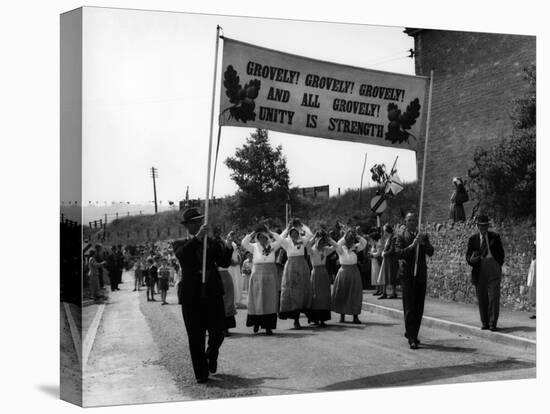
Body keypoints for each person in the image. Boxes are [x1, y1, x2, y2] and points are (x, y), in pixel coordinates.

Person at [173, 208, 234, 383]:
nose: (199, 225)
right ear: (188, 226)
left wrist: (228, 245)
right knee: (195, 336)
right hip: (191, 296)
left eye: (200, 221)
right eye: (195, 222)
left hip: (212, 292)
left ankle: (211, 354)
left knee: (218, 331)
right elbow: (183, 257)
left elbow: (224, 261)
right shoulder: (180, 244)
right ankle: (201, 373)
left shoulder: (211, 243)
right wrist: (198, 238)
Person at [395, 212, 434, 349]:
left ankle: (413, 333)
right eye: (409, 220)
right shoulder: (401, 236)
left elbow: (431, 251)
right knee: (409, 307)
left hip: (421, 275)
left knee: (418, 308)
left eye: (413, 220)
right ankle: (411, 337)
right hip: (407, 276)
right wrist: (412, 245)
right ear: (405, 222)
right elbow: (399, 253)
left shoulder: (422, 236)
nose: (412, 222)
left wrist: (422, 243)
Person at [241, 224, 283, 335]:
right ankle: (256, 323)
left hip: (270, 275)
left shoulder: (273, 246)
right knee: (257, 300)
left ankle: (268, 327)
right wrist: (253, 232)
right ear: (257, 238)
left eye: (264, 237)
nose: (262, 239)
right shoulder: (254, 246)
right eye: (260, 237)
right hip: (257, 276)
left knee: (269, 300)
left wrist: (270, 232)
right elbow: (244, 243)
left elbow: (281, 240)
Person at [465, 214, 505, 331]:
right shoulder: (473, 239)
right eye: (481, 226)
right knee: (482, 296)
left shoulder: (495, 237)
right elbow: (468, 255)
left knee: (494, 296)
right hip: (479, 269)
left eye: (485, 225)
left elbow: (501, 254)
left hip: (493, 268)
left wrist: (497, 265)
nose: (483, 228)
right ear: (477, 226)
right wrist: (471, 260)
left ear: (488, 226)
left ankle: (493, 323)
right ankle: (485, 322)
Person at [278, 220, 314, 329]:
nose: (294, 234)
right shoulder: (287, 242)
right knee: (292, 292)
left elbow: (310, 235)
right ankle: (296, 320)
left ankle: (307, 315)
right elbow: (279, 238)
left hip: (302, 266)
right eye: (292, 233)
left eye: (295, 232)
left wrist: (301, 225)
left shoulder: (302, 240)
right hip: (291, 267)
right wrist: (287, 228)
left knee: (303, 290)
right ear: (290, 233)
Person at [329, 229, 368, 324]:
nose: (350, 241)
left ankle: (355, 316)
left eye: (352, 239)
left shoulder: (356, 247)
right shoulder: (341, 249)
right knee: (343, 293)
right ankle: (342, 316)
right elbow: (337, 243)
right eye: (348, 239)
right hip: (344, 272)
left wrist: (357, 236)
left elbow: (364, 243)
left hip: (354, 271)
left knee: (355, 294)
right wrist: (345, 235)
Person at [306, 230, 334, 326]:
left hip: (324, 273)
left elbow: (336, 246)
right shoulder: (312, 251)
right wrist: (314, 237)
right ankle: (315, 319)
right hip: (316, 273)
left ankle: (323, 319)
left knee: (324, 295)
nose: (321, 243)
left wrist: (328, 238)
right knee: (315, 295)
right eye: (319, 241)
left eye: (323, 242)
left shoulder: (326, 250)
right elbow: (307, 245)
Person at [215, 228, 237, 336]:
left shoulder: (225, 244)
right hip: (213, 276)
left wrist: (228, 241)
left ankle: (225, 327)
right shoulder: (208, 244)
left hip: (224, 274)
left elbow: (231, 261)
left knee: (227, 302)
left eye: (218, 232)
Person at [377, 224, 399, 299]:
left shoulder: (393, 238)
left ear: (387, 231)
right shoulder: (388, 238)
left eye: (384, 230)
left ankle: (393, 293)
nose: (384, 232)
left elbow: (392, 250)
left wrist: (385, 253)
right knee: (385, 276)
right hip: (387, 260)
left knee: (392, 277)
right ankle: (385, 293)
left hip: (391, 260)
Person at [368, 230, 383, 296]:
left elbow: (379, 253)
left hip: (377, 261)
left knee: (377, 274)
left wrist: (372, 254)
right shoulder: (373, 244)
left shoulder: (378, 244)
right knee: (375, 275)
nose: (370, 239)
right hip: (373, 261)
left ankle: (381, 290)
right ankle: (377, 289)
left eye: (371, 238)